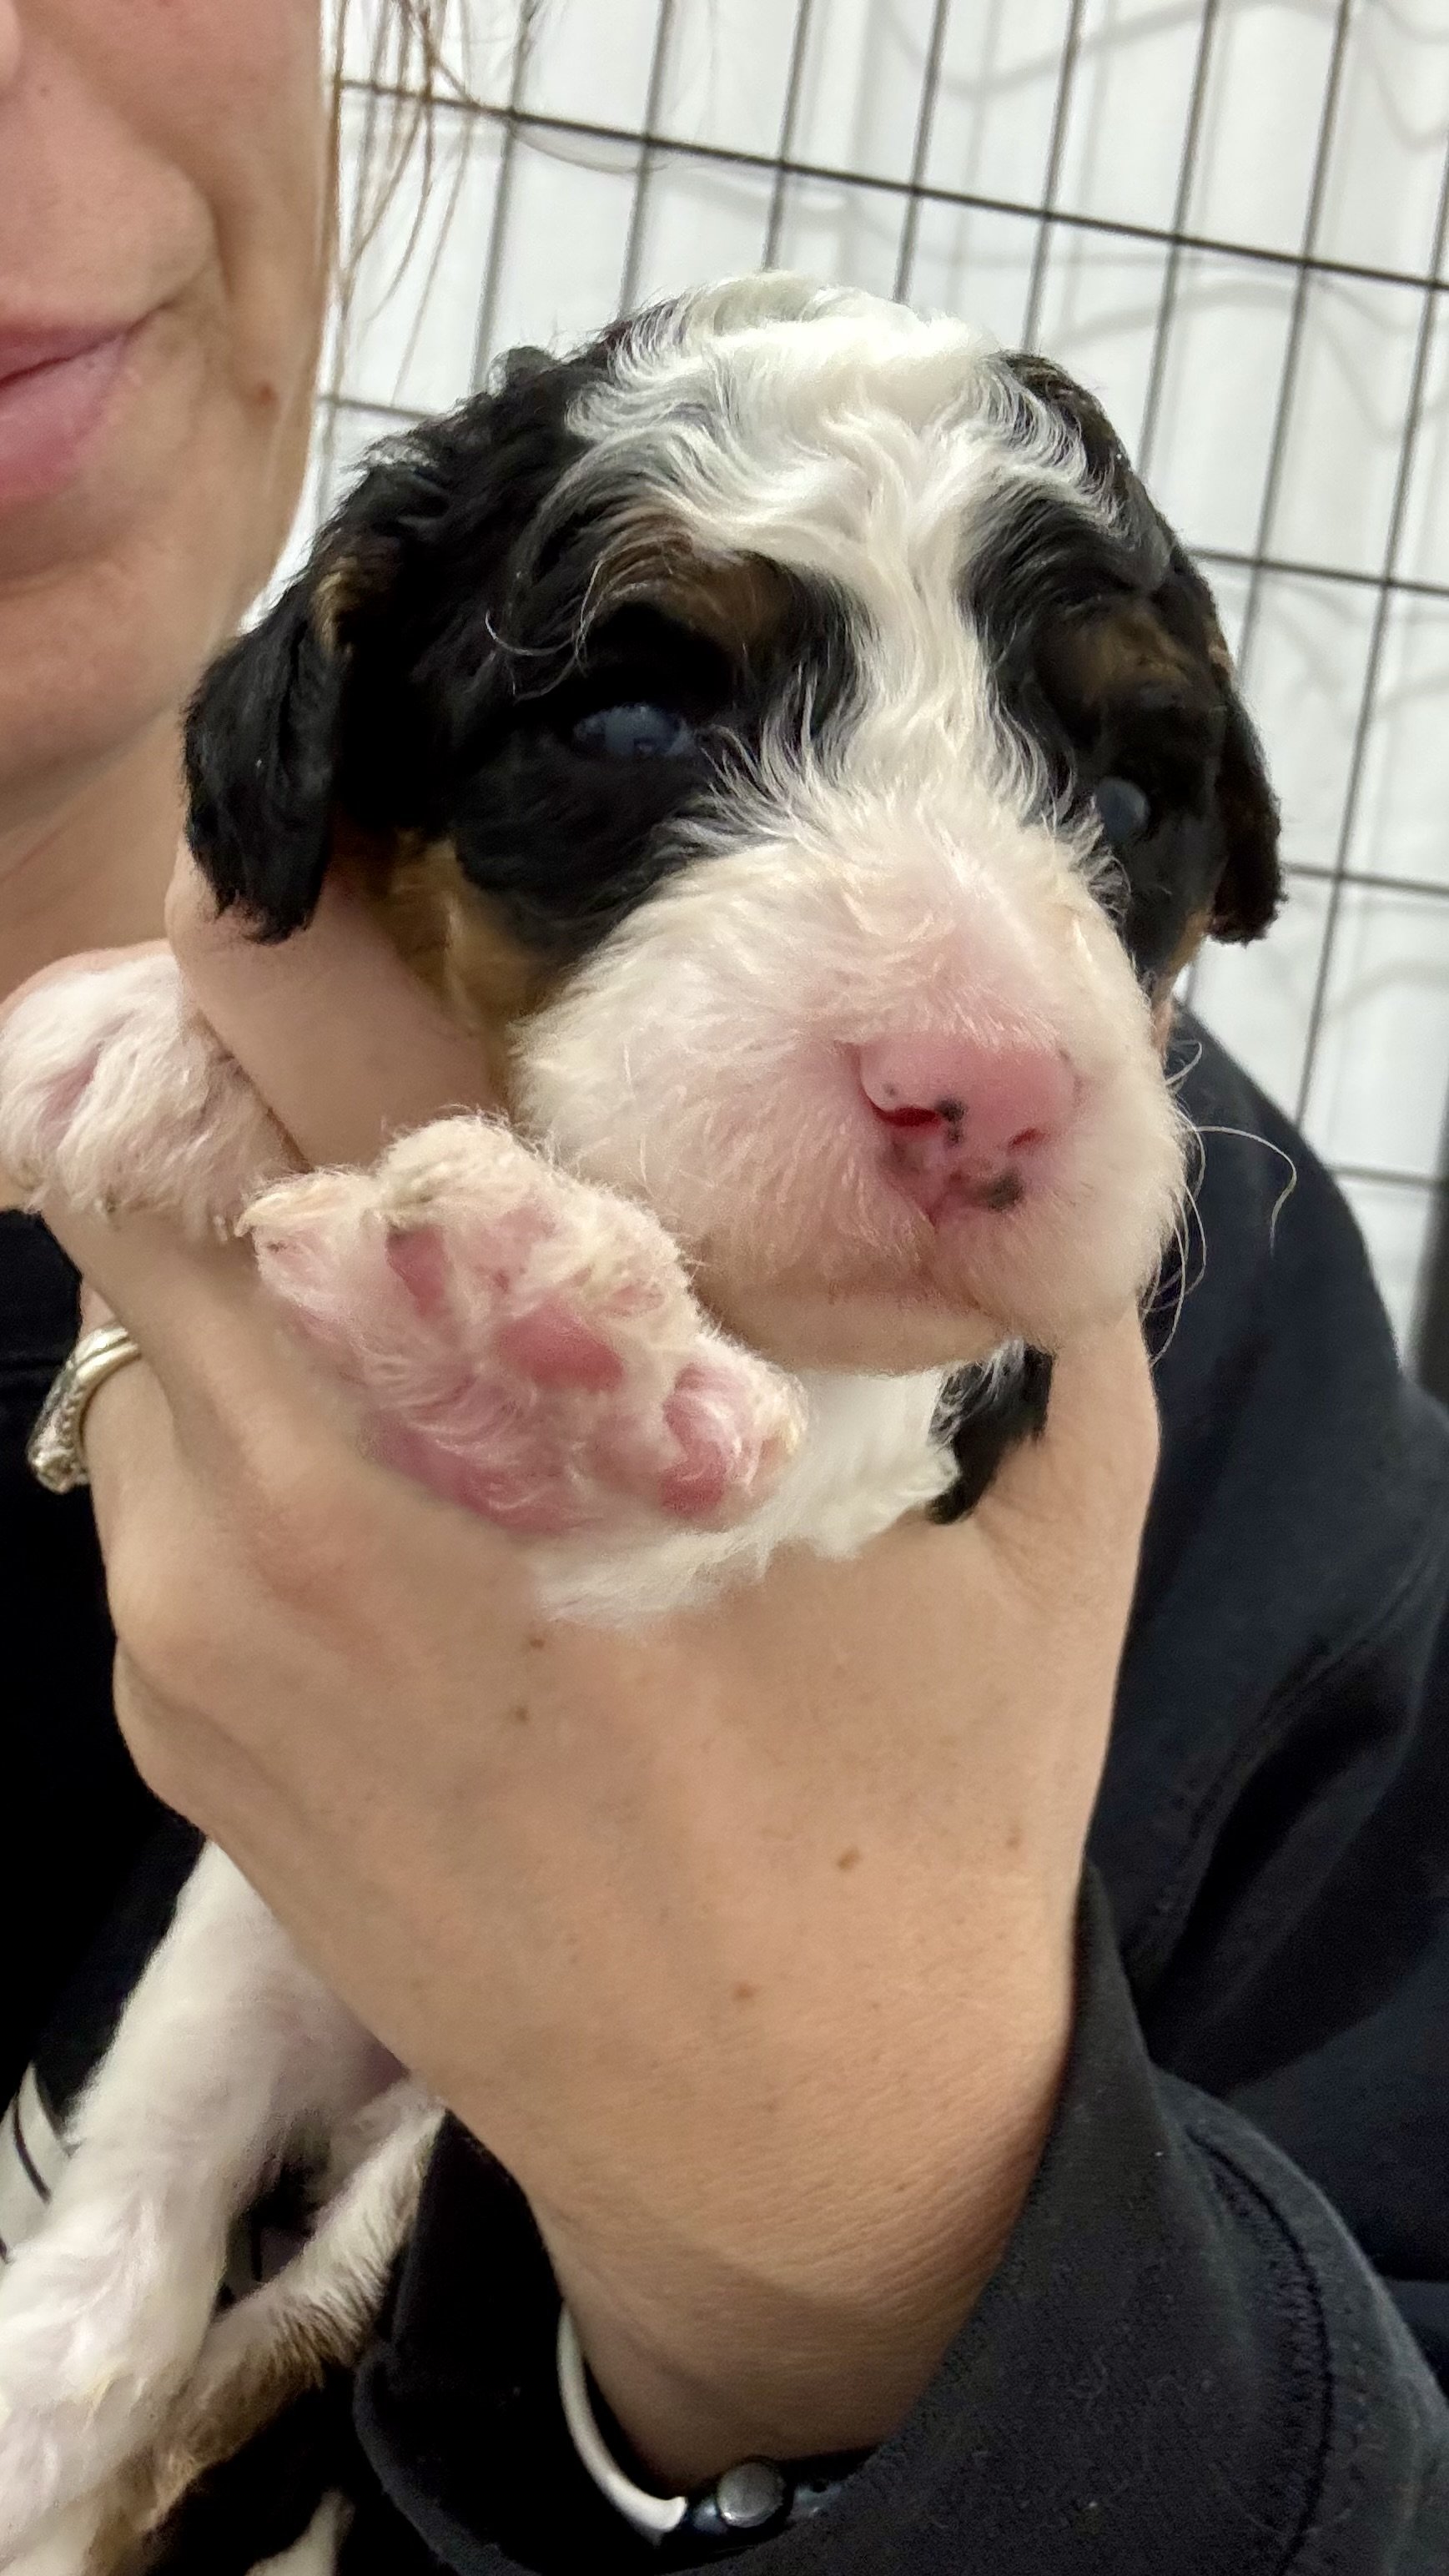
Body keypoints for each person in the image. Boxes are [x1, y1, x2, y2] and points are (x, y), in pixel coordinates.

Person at [1, 3, 1446, 2568]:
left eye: (1110, 786)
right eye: (643, 724)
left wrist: (876, 2234)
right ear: (341, 741)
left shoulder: (1229, 1399)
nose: (970, 1041)